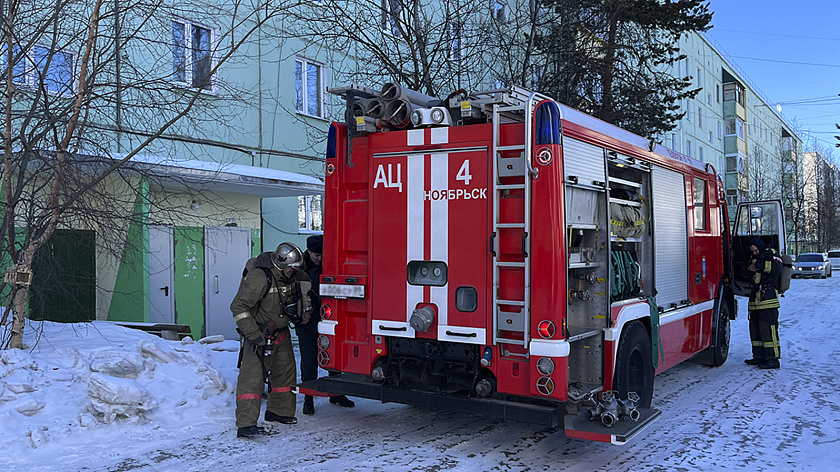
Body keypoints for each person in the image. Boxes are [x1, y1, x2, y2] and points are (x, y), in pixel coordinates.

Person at [230, 242, 313, 438]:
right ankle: (246, 424)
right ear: (281, 264)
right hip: (258, 336)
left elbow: (308, 280)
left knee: (285, 375)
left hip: (281, 333)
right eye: (291, 268)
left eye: (295, 268)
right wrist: (253, 335)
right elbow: (238, 307)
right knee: (252, 380)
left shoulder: (291, 276)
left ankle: (279, 412)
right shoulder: (260, 277)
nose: (293, 272)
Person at [296, 234, 355, 415]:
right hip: (307, 321)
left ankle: (336, 393)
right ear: (309, 251)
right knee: (309, 361)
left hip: (328, 317)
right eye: (316, 255)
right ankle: (308, 398)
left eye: (322, 254)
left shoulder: (330, 263)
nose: (319, 258)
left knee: (335, 357)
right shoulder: (299, 267)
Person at [743, 237, 782, 370]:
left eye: (755, 250)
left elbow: (776, 267)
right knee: (755, 331)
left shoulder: (772, 254)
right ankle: (759, 356)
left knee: (768, 331)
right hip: (755, 302)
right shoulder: (753, 258)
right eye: (752, 251)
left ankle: (773, 359)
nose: (754, 253)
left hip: (768, 302)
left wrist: (757, 265)